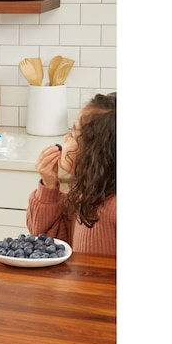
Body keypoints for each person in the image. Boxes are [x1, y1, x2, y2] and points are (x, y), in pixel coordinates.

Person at [26, 92, 116, 256]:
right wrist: (49, 186)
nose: (66, 138)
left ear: (96, 153)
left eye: (74, 135)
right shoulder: (82, 197)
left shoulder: (114, 208)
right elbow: (46, 244)